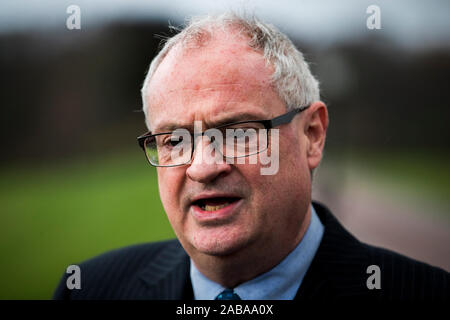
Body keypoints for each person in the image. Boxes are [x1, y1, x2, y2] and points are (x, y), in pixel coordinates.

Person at [54, 12, 449, 300]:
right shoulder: (91, 289)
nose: (204, 167)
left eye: (238, 132)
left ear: (312, 135)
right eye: (174, 140)